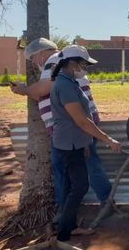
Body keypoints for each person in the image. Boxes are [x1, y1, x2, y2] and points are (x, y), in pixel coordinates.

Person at [11, 38, 112, 211]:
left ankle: (67, 209)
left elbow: (43, 89)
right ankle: (101, 202)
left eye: (34, 58)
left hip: (72, 128)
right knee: (83, 165)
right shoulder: (62, 63)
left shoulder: (54, 61)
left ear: (42, 53)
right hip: (74, 126)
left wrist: (24, 90)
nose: (34, 63)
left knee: (68, 168)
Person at [50, 45, 121, 241]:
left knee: (70, 185)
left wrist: (85, 145)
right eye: (84, 64)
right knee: (80, 186)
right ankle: (64, 233)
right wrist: (108, 140)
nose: (86, 68)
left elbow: (79, 121)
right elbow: (81, 120)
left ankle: (68, 226)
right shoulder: (64, 85)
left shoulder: (69, 82)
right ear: (72, 64)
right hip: (68, 145)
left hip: (74, 143)